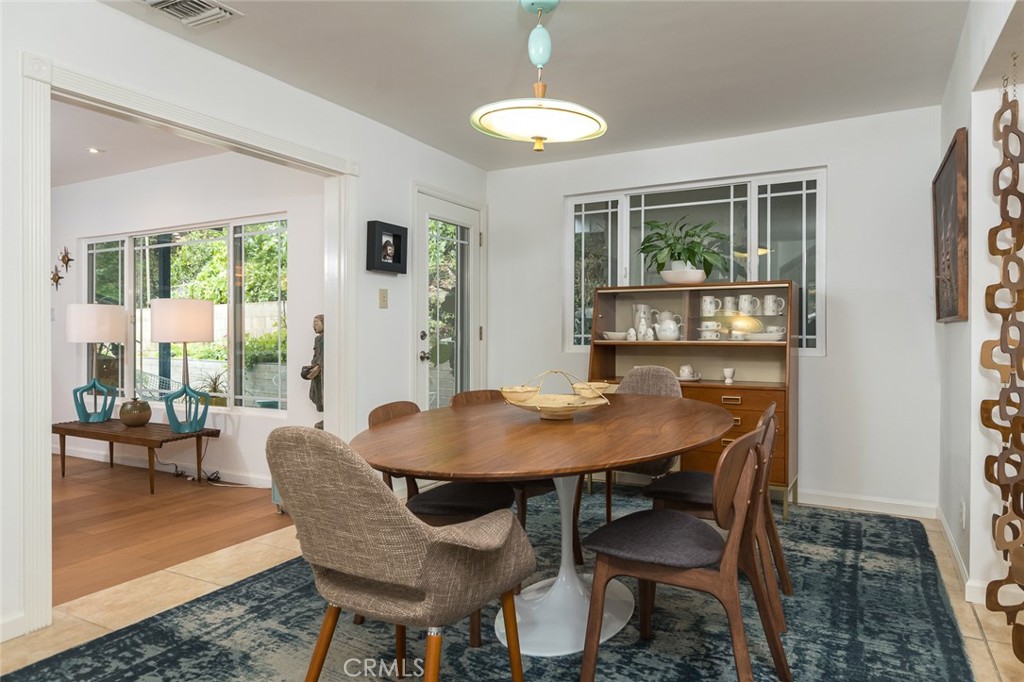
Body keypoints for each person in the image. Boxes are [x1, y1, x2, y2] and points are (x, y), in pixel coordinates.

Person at [301, 314, 324, 413]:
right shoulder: (318, 339)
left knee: (323, 394)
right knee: (317, 393)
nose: (314, 326)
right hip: (317, 370)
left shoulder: (326, 339)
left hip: (322, 371)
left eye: (316, 323)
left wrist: (319, 367)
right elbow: (316, 355)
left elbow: (325, 355)